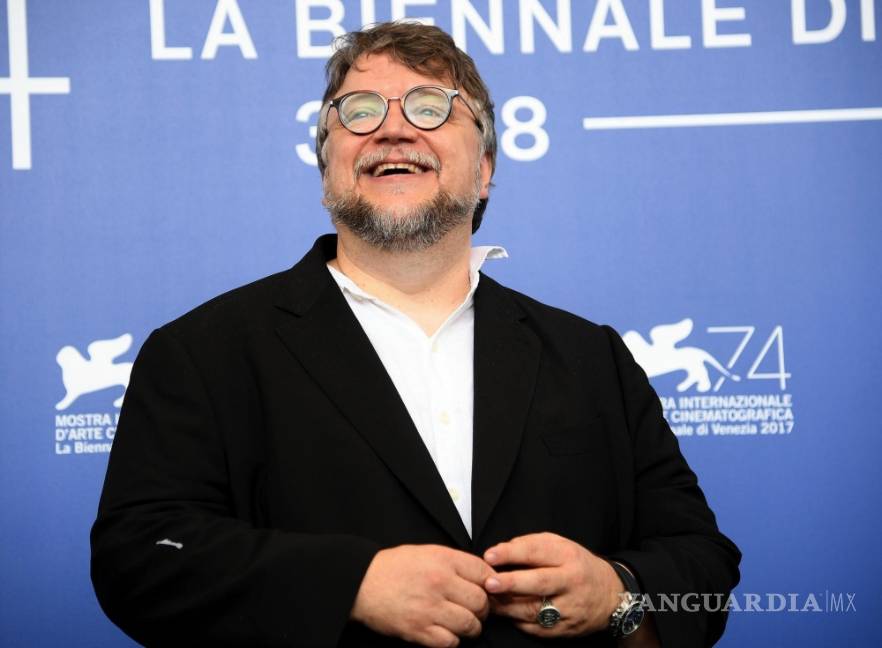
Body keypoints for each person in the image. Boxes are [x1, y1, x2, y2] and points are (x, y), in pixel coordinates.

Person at [91, 21, 740, 648]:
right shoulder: (201, 353)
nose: (394, 128)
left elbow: (703, 566)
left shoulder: (592, 358)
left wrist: (621, 595)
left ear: (484, 168)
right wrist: (353, 585)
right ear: (326, 171)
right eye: (359, 111)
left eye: (431, 108)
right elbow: (139, 559)